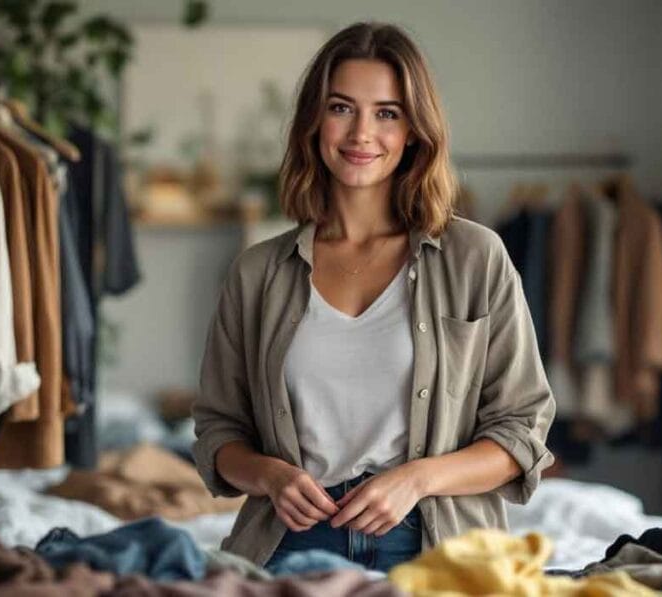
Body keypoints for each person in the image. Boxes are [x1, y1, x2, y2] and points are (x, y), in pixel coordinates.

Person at [192, 21, 555, 573]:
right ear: (315, 122)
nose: (362, 133)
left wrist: (416, 479)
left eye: (387, 112)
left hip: (436, 544)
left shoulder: (475, 256)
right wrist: (270, 475)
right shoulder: (257, 272)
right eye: (341, 108)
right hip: (288, 544)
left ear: (413, 130)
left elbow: (521, 428)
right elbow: (219, 431)